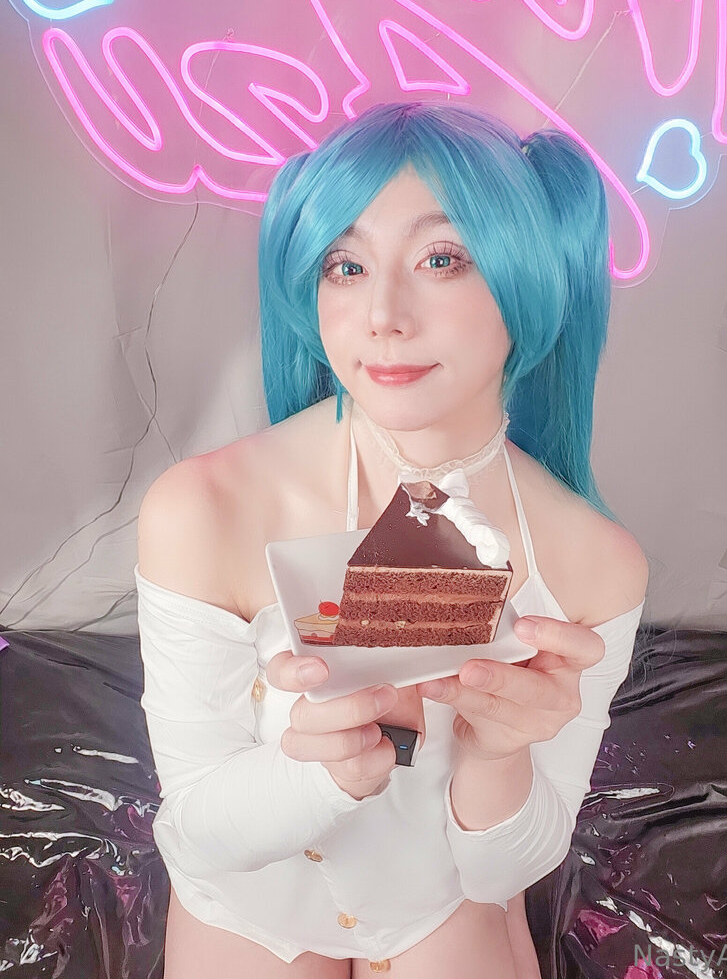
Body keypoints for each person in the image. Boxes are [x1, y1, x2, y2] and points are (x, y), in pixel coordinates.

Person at [135, 101, 649, 978]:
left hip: (439, 902)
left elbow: (504, 872)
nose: (382, 314)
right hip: (250, 903)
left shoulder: (596, 562)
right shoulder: (204, 509)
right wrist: (323, 769)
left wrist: (498, 755)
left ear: (528, 276)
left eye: (441, 258)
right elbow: (194, 831)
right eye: (346, 265)